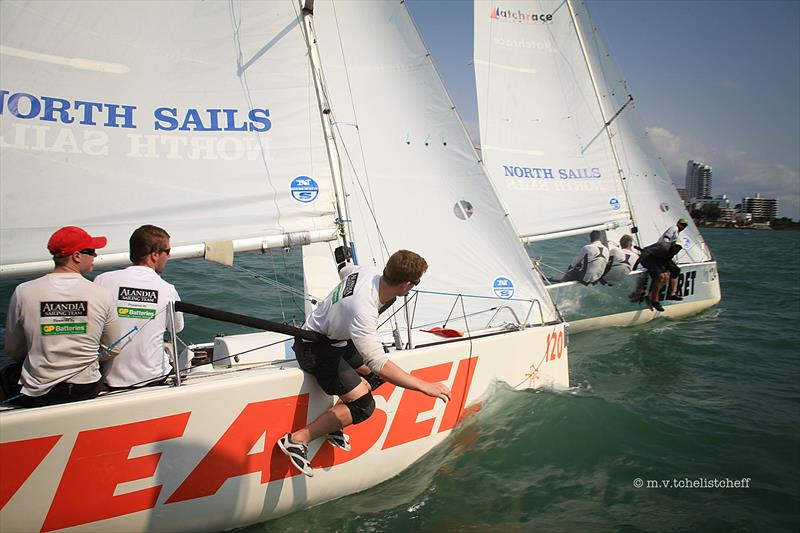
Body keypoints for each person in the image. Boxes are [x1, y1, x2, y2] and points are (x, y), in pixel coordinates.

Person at [277, 249, 451, 477]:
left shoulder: (370, 272)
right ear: (406, 285)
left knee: (374, 377)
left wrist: (342, 266)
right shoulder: (364, 311)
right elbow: (379, 363)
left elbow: (347, 271)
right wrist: (423, 386)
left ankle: (334, 421)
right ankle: (297, 440)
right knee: (364, 407)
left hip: (335, 339)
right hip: (315, 349)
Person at [2, 226, 122, 407]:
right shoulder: (101, 294)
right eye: (91, 252)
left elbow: (13, 349)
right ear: (76, 256)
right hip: (86, 388)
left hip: (38, 393)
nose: (95, 256)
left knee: (7, 373)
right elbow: (113, 347)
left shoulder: (23, 292)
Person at [94, 225, 184, 388]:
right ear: (155, 255)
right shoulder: (167, 289)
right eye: (168, 251)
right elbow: (176, 328)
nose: (169, 257)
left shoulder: (102, 281)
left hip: (108, 380)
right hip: (154, 378)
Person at [636, 242, 683, 312]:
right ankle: (654, 299)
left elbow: (667, 260)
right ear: (673, 245)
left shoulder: (674, 250)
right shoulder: (663, 247)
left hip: (660, 260)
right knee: (662, 276)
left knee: (675, 270)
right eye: (676, 246)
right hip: (648, 259)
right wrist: (636, 264)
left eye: (679, 248)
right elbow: (646, 251)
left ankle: (671, 294)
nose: (677, 249)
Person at [657, 218, 688, 300]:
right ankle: (659, 295)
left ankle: (671, 294)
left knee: (674, 271)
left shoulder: (677, 232)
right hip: (662, 253)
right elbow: (666, 238)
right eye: (682, 224)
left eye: (685, 225)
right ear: (678, 223)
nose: (683, 226)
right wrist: (667, 248)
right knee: (672, 272)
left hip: (665, 255)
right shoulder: (674, 228)